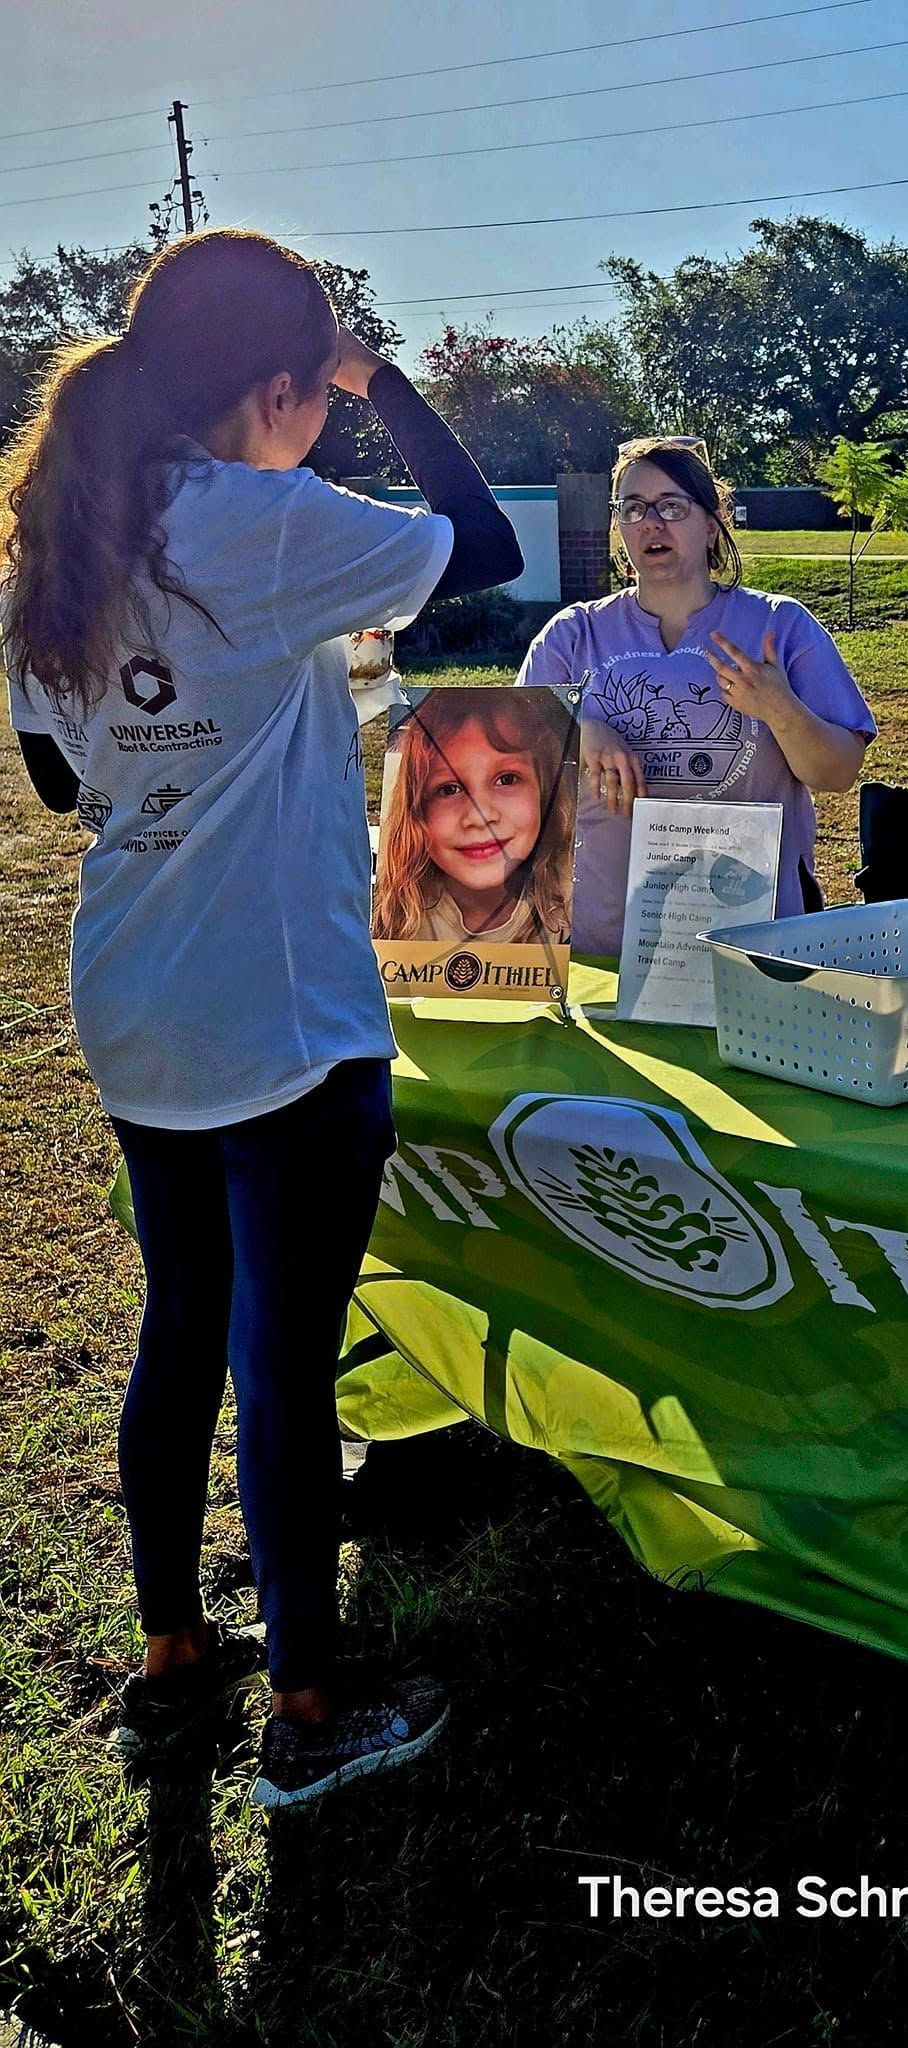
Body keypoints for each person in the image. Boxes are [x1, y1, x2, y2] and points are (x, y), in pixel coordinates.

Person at [1, 228, 523, 1802]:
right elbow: (485, 545)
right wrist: (392, 386)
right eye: (313, 394)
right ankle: (305, 1716)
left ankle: (174, 1656)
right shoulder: (263, 520)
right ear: (285, 390)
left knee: (178, 1330)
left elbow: (55, 778)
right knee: (282, 1364)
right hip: (282, 1011)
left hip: (136, 994)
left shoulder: (63, 534)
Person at [515, 436, 874, 955]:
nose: (651, 522)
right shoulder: (572, 635)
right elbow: (514, 761)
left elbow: (837, 774)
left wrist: (779, 708)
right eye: (633, 507)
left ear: (711, 524)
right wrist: (578, 729)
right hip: (600, 939)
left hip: (753, 939)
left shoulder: (779, 625)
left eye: (672, 505)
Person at [373, 689, 577, 948]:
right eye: (449, 789)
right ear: (416, 811)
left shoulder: (570, 897)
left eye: (507, 779)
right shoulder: (399, 912)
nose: (480, 818)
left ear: (545, 790)